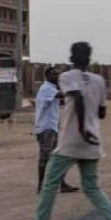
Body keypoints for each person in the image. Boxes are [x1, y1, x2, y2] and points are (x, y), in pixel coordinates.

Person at [17, 42, 111, 220]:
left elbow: (77, 97)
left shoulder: (67, 76)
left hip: (72, 141)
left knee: (49, 185)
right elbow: (101, 112)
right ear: (89, 58)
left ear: (72, 58)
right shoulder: (99, 80)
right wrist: (88, 122)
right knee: (91, 187)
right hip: (93, 142)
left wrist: (80, 128)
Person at [34, 66, 79, 194]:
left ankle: (61, 184)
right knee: (45, 157)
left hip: (51, 127)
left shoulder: (52, 88)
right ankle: (41, 186)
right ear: (47, 76)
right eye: (54, 74)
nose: (57, 76)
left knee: (59, 156)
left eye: (58, 74)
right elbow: (62, 95)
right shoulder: (47, 88)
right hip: (46, 129)